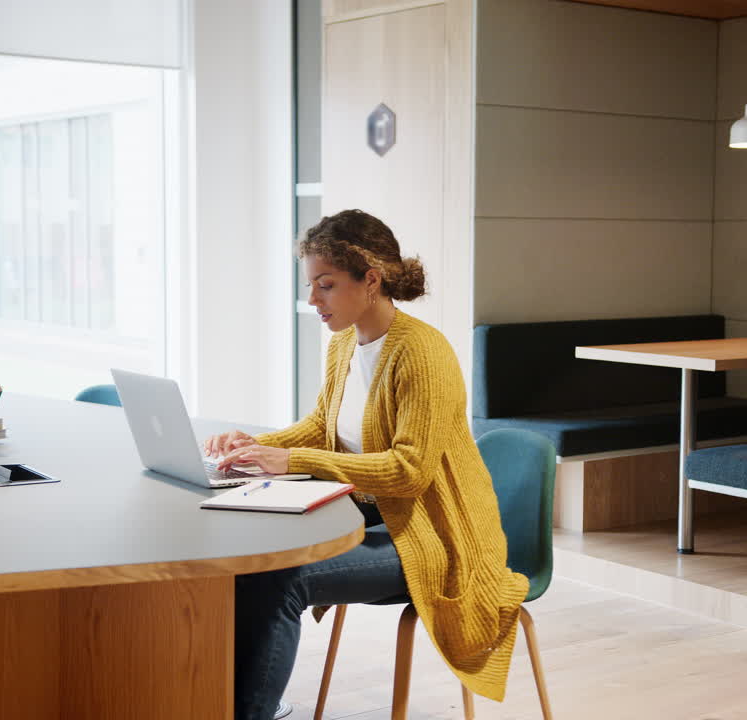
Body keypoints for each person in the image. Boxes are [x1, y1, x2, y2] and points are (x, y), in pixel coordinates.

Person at [204, 209, 528, 720]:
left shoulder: (421, 353)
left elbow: (409, 470)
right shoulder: (343, 345)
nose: (313, 300)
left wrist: (290, 459)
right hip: (380, 518)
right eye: (312, 285)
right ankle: (221, 702)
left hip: (437, 540)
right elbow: (322, 425)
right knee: (244, 563)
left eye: (325, 285)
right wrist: (253, 447)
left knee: (281, 579)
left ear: (370, 280)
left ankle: (250, 713)